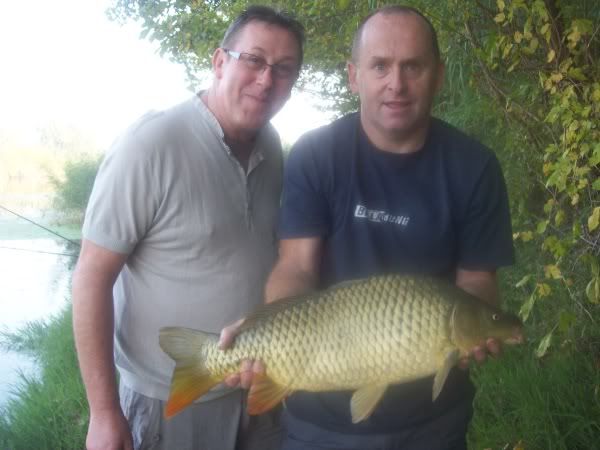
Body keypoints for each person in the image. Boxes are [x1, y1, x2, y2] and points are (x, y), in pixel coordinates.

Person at [221, 5, 514, 450]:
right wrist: (271, 329)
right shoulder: (316, 155)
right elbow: (296, 266)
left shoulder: (474, 167)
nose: (396, 84)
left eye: (412, 66)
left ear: (438, 75)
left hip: (434, 421)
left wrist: (479, 325)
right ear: (354, 76)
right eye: (380, 66)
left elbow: (478, 280)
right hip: (319, 416)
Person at [71, 6, 304, 450]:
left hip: (258, 385)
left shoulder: (272, 146)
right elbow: (90, 277)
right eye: (254, 60)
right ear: (219, 61)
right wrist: (103, 413)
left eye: (284, 69)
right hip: (171, 402)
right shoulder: (149, 145)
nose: (266, 79)